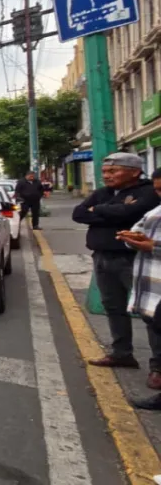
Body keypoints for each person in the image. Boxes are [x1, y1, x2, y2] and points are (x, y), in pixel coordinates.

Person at [74, 152, 161, 381]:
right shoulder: (104, 192)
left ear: (134, 171)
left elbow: (132, 213)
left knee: (150, 312)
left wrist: (99, 210)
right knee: (113, 307)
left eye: (113, 171)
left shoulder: (149, 191)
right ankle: (122, 353)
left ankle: (158, 368)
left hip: (134, 259)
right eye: (104, 172)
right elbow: (79, 214)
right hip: (102, 256)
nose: (107, 176)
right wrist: (114, 212)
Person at [117, 168, 161, 409]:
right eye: (157, 190)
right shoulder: (156, 210)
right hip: (153, 285)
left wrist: (153, 245)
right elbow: (139, 228)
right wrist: (132, 237)